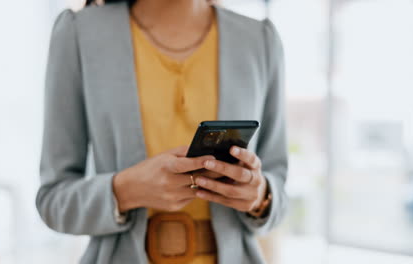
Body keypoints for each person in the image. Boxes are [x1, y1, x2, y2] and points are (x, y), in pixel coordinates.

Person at [36, 0, 287, 263]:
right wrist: (125, 190)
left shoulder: (259, 40)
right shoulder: (79, 34)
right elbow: (52, 201)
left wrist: (259, 196)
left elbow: (280, 190)